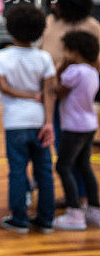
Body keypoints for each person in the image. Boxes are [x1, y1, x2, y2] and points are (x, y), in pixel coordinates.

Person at [0, 5, 56, 234]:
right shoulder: (44, 58)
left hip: (15, 122)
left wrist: (26, 95)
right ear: (39, 29)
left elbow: (5, 88)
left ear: (10, 28)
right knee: (44, 171)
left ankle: (19, 220)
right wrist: (49, 122)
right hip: (39, 121)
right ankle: (46, 220)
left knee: (17, 171)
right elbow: (49, 92)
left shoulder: (2, 56)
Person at [40, 0, 100, 207]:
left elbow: (95, 63)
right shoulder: (51, 23)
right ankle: (74, 196)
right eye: (50, 2)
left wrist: (70, 74)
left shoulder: (91, 26)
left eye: (56, 1)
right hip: (51, 96)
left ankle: (81, 200)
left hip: (74, 101)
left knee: (75, 156)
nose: (53, 6)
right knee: (62, 150)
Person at [53, 31, 100, 230]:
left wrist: (60, 67)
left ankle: (74, 212)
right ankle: (94, 209)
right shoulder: (92, 71)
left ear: (74, 51)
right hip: (89, 125)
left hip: (73, 126)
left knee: (63, 167)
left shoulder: (74, 71)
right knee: (84, 166)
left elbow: (58, 90)